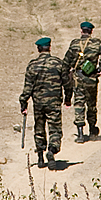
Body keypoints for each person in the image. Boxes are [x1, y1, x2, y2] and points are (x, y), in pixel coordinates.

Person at [19, 36, 66, 168]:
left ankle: (40, 157)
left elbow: (27, 87)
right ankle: (52, 151)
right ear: (49, 47)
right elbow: (67, 82)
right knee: (55, 129)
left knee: (39, 128)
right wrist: (68, 98)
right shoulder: (58, 63)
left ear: (38, 49)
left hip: (38, 103)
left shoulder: (33, 65)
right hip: (54, 102)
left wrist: (23, 103)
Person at [64, 21, 101, 142]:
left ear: (81, 31)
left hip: (78, 78)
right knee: (91, 105)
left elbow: (66, 61)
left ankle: (80, 134)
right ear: (91, 31)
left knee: (79, 104)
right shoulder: (97, 43)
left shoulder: (75, 44)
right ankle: (92, 130)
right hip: (91, 78)